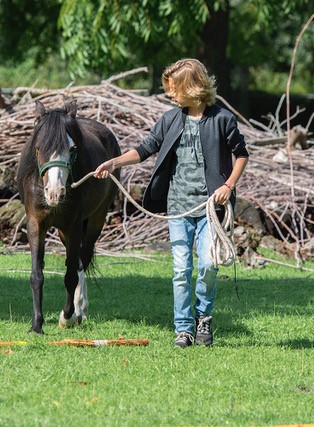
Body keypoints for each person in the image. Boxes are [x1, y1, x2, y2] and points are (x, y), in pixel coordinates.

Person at [94, 58, 249, 347]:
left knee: (207, 266)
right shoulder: (170, 119)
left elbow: (241, 155)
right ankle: (183, 328)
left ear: (193, 86)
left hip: (210, 209)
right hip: (178, 207)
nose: (170, 94)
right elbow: (145, 148)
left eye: (174, 88)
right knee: (180, 270)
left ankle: (204, 319)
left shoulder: (222, 119)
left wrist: (229, 185)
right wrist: (114, 162)